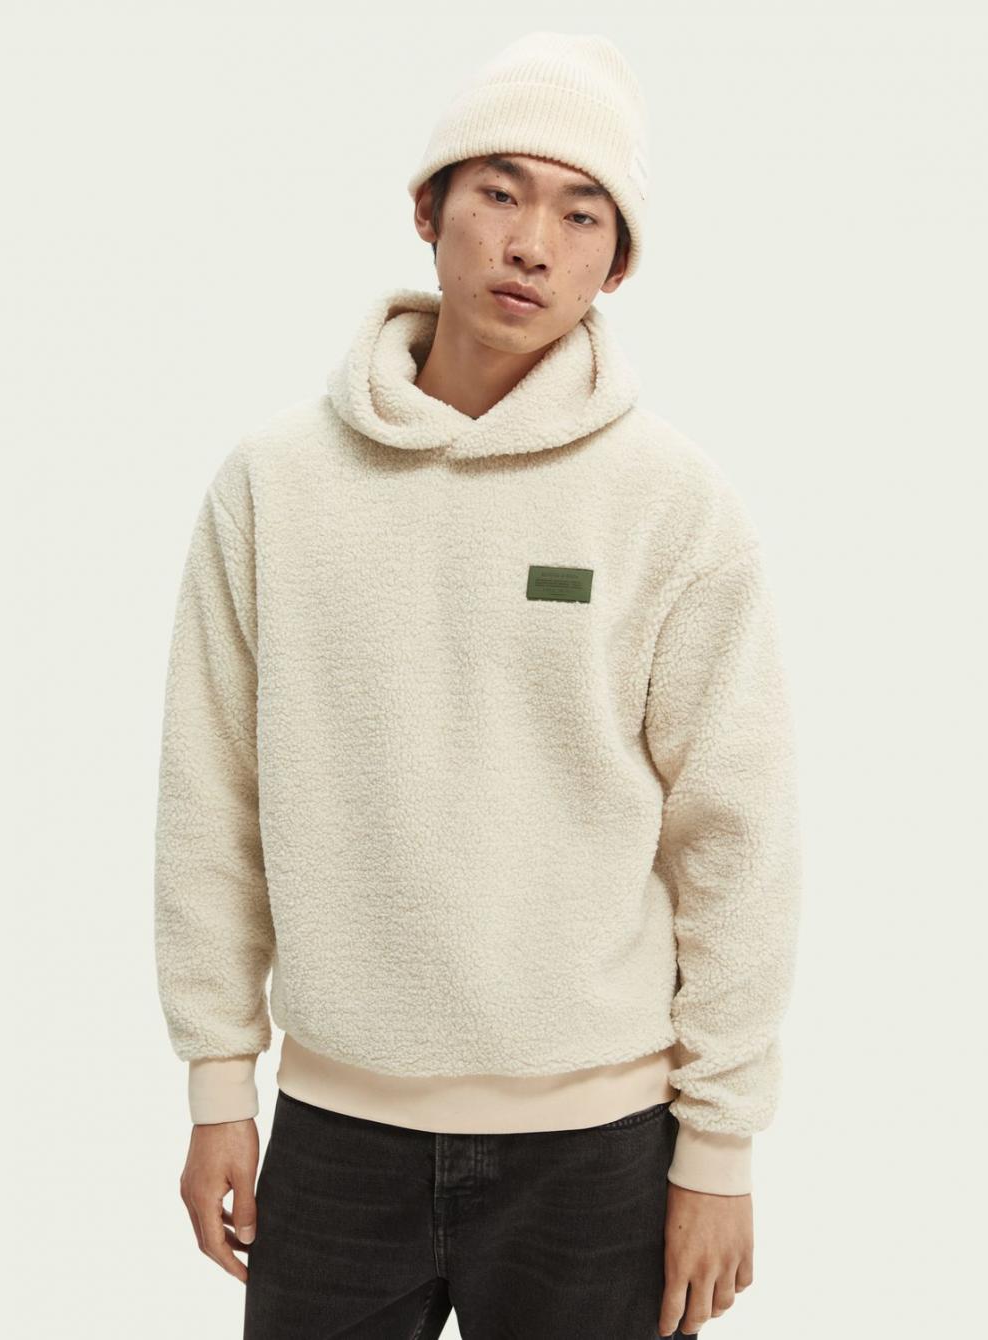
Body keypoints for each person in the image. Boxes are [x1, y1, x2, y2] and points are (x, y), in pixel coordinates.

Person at [154, 29, 802, 1340]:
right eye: (499, 192)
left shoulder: (671, 505)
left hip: (600, 1149)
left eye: (580, 214)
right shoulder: (276, 486)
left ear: (616, 262)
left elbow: (735, 841)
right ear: (427, 209)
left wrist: (719, 1151)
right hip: (336, 1131)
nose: (531, 245)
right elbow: (210, 800)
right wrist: (219, 1084)